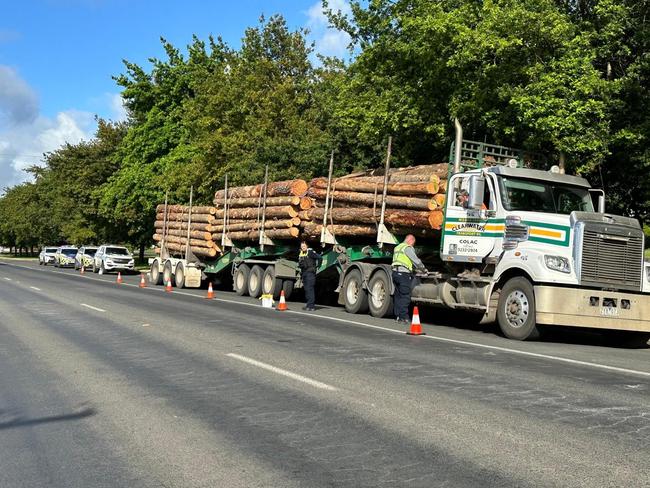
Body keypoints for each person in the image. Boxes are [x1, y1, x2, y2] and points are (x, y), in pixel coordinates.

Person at [392, 234, 427, 324]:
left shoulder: (398, 247)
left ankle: (398, 316)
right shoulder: (407, 248)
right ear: (410, 240)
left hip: (395, 273)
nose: (413, 245)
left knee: (398, 295)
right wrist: (423, 269)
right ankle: (404, 317)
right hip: (403, 273)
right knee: (405, 295)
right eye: (413, 243)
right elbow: (415, 260)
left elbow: (402, 260)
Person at [298, 241, 321, 311]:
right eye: (302, 247)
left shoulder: (310, 252)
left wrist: (318, 266)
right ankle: (308, 305)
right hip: (304, 273)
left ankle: (311, 306)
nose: (303, 248)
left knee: (310, 289)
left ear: (307, 246)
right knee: (306, 290)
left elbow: (320, 257)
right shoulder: (301, 253)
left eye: (304, 246)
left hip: (310, 273)